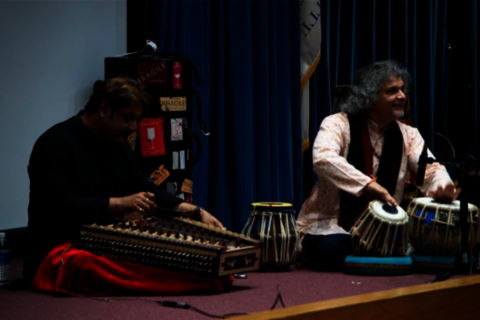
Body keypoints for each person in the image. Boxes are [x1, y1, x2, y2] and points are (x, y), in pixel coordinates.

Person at [23, 77, 222, 282]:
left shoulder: (118, 145)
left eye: (136, 119)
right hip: (58, 253)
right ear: (103, 109)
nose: (134, 127)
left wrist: (194, 211)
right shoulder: (56, 143)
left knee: (170, 259)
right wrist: (121, 203)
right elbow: (58, 205)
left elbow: (142, 186)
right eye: (128, 118)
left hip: (100, 246)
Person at [297, 60, 460, 270]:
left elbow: (431, 169)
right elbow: (323, 158)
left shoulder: (409, 136)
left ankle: (374, 251)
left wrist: (441, 187)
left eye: (402, 89)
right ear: (370, 97)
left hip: (386, 230)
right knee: (332, 245)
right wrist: (368, 184)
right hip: (332, 224)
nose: (402, 96)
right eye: (392, 91)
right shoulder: (338, 124)